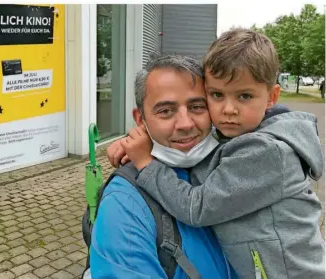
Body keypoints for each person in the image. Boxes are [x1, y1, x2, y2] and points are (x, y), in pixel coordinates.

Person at [109, 29, 325, 279]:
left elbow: (196, 207)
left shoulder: (267, 151)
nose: (228, 110)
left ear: (272, 97)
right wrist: (138, 143)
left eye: (244, 96)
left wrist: (146, 161)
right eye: (216, 95)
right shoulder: (240, 131)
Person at [90, 54, 236, 278]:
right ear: (140, 120)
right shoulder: (125, 203)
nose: (186, 124)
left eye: (197, 106)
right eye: (166, 111)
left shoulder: (236, 163)